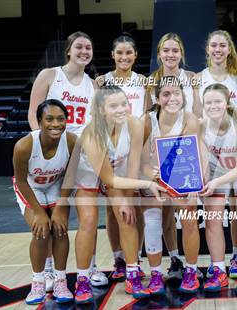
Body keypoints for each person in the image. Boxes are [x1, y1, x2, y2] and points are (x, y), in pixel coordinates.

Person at [27, 31, 109, 288]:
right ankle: (49, 270)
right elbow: (33, 114)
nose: (84, 51)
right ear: (69, 50)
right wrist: (42, 147)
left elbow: (96, 123)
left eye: (88, 47)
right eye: (79, 47)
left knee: (89, 217)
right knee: (53, 220)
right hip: (54, 154)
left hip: (82, 155)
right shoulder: (50, 75)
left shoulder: (93, 84)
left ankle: (91, 266)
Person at [70, 86, 166, 303]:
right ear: (102, 110)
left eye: (124, 103)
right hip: (89, 173)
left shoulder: (134, 123)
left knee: (127, 214)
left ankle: (132, 273)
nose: (122, 109)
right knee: (88, 221)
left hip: (118, 173)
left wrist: (128, 198)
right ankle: (82, 279)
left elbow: (132, 167)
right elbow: (108, 179)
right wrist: (145, 184)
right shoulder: (91, 133)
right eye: (114, 106)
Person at [146, 33, 202, 279]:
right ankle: (173, 260)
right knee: (161, 216)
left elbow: (198, 114)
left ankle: (190, 268)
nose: (170, 54)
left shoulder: (192, 78)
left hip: (186, 152)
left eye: (175, 50)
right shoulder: (150, 81)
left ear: (181, 54)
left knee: (188, 217)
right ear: (159, 54)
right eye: (165, 50)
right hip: (159, 152)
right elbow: (146, 117)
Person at [197, 29, 237, 279]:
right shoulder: (197, 79)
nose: (218, 50)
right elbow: (194, 118)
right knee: (213, 216)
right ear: (207, 49)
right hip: (210, 153)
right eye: (213, 45)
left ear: (229, 50)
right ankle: (217, 264)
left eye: (222, 46)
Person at [13, 99, 76, 304]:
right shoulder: (24, 146)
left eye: (60, 119)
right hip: (31, 187)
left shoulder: (72, 141)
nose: (55, 124)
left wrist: (59, 208)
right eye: (49, 119)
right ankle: (38, 282)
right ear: (39, 121)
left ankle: (60, 280)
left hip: (58, 184)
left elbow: (70, 176)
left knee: (60, 228)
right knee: (41, 231)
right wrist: (39, 213)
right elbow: (21, 181)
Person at [200, 83, 237, 293]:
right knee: (212, 219)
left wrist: (215, 183)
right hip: (219, 168)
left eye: (217, 101)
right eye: (208, 102)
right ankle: (218, 271)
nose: (213, 106)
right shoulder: (201, 125)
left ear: (227, 103)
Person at [96, 34, 147, 281]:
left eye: (129, 53)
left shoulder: (144, 82)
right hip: (112, 150)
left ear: (135, 56)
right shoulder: (102, 82)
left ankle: (134, 257)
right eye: (120, 53)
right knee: (114, 209)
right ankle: (119, 258)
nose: (124, 57)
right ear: (112, 56)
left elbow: (146, 117)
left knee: (137, 208)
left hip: (137, 147)